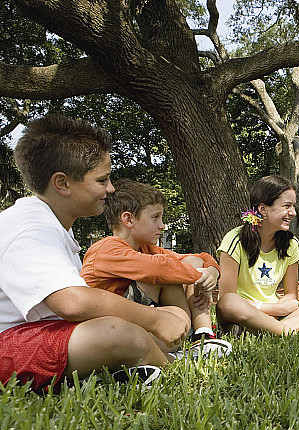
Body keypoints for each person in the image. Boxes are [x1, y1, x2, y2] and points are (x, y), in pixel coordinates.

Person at [0, 115, 189, 390]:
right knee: (122, 334)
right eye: (102, 180)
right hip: (8, 343)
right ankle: (172, 367)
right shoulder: (30, 227)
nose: (110, 189)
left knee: (162, 321)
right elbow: (72, 303)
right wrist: (155, 318)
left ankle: (141, 363)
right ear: (62, 184)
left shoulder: (51, 223)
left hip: (42, 335)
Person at [81, 179, 231, 358]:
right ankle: (179, 343)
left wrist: (212, 272)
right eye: (155, 217)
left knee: (188, 263)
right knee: (171, 272)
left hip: (133, 322)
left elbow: (200, 258)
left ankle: (202, 333)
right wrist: (197, 277)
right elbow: (159, 268)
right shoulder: (107, 248)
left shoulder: (146, 249)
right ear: (128, 219)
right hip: (106, 328)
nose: (162, 225)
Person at [216, 175, 299, 334]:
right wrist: (273, 308)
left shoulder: (291, 244)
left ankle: (263, 331)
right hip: (241, 313)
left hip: (277, 316)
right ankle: (295, 333)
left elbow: (291, 295)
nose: (292, 212)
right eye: (286, 206)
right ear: (263, 209)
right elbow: (226, 298)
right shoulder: (235, 240)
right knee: (230, 302)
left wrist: (281, 308)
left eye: (293, 206)